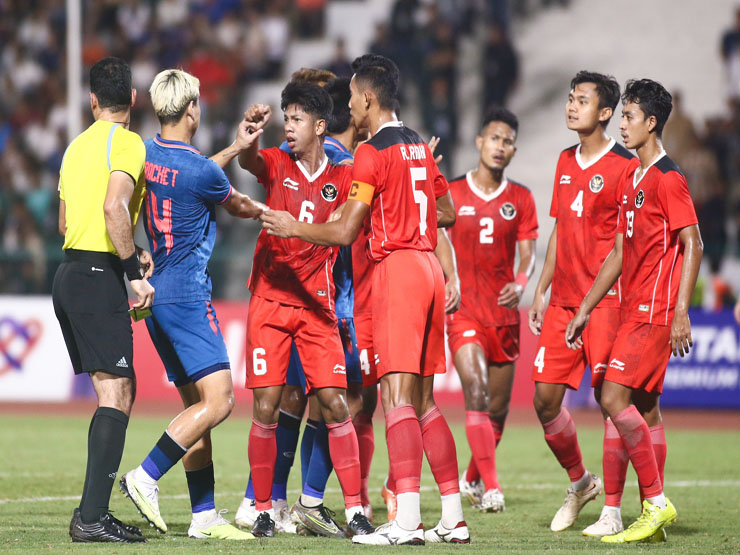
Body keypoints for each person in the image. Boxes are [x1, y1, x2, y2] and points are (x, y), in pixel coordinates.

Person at [261, 54, 469, 546]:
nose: (347, 106)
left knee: (395, 398)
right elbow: (448, 212)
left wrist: (294, 226)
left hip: (397, 270)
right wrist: (404, 211)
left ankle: (407, 522)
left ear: (369, 98)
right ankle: (453, 517)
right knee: (425, 402)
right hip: (429, 268)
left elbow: (345, 229)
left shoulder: (373, 153)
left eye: (352, 96)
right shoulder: (419, 145)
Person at [118, 69, 265, 541]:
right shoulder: (199, 170)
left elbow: (196, 173)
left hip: (156, 291)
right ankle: (145, 476)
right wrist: (273, 212)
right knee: (220, 400)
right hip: (186, 295)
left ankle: (203, 515)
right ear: (192, 111)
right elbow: (237, 203)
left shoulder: (149, 151)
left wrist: (233, 151)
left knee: (196, 408)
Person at [566, 78, 702, 544]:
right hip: (630, 306)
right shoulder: (632, 177)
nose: (622, 123)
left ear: (651, 123)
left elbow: (693, 243)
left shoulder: (668, 177)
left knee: (612, 400)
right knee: (644, 407)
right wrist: (587, 306)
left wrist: (681, 311)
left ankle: (655, 503)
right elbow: (622, 250)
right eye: (621, 115)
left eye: (628, 116)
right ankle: (652, 518)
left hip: (655, 310)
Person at [238, 81, 375, 539]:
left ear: (320, 127)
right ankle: (261, 509)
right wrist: (251, 138)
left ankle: (355, 510)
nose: (288, 126)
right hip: (270, 301)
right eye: (285, 117)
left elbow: (344, 233)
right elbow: (249, 162)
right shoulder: (277, 162)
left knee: (337, 405)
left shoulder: (344, 175)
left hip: (318, 307)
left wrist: (295, 226)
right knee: (267, 404)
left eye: (296, 119)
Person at [527, 71, 639, 534]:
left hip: (606, 303)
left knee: (611, 403)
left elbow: (620, 248)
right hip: (562, 304)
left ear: (606, 112)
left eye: (583, 100)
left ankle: (612, 510)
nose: (572, 107)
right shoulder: (563, 160)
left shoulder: (624, 167)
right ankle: (581, 482)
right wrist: (541, 288)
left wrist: (588, 306)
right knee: (544, 401)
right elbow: (559, 229)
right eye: (570, 99)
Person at [53, 56, 153, 543]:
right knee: (117, 391)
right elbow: (115, 205)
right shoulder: (128, 142)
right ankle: (91, 517)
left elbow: (65, 225)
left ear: (93, 100)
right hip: (98, 274)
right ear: (133, 99)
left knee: (115, 389)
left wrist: (127, 258)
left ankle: (92, 512)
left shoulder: (74, 148)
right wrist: (132, 272)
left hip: (71, 272)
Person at [451, 106, 538, 513]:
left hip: (503, 317)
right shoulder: (453, 193)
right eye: (494, 138)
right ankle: (493, 486)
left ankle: (471, 477)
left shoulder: (520, 198)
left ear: (514, 150)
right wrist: (447, 282)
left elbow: (528, 255)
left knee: (498, 410)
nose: (500, 147)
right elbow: (435, 242)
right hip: (464, 312)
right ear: (479, 142)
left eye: (508, 142)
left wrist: (520, 285)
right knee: (477, 392)